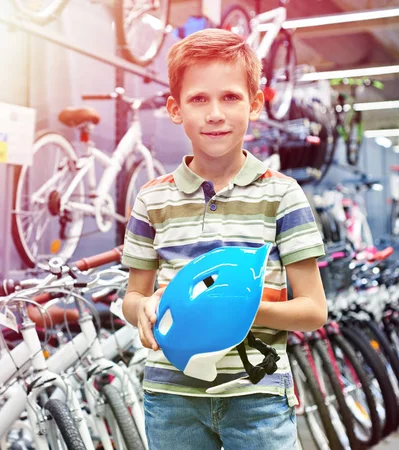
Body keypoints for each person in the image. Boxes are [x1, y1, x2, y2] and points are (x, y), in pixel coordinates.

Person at [121, 28, 327, 450]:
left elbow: (313, 309)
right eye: (199, 99)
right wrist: (142, 308)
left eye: (231, 97)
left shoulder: (283, 195)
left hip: (257, 397)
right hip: (171, 397)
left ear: (254, 104)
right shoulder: (152, 198)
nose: (215, 113)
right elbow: (132, 298)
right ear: (175, 109)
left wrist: (232, 311)